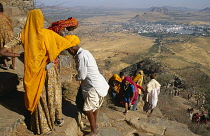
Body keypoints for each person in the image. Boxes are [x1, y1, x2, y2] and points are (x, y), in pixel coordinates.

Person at [0, 9, 80, 135]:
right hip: (50, 70)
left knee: (39, 98)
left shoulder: (23, 35)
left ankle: (42, 127)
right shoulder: (47, 34)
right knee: (53, 95)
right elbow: (65, 44)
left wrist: (20, 55)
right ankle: (57, 118)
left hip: (33, 72)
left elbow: (2, 51)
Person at [65, 35, 109, 136]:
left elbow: (82, 75)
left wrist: (76, 77)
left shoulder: (81, 56)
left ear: (71, 49)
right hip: (98, 84)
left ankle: (94, 131)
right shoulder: (85, 52)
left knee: (88, 108)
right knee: (94, 107)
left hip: (94, 87)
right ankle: (94, 125)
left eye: (68, 50)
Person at [0, 3, 15, 69]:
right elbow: (11, 25)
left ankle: (6, 64)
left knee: (1, 49)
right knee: (12, 50)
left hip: (1, 35)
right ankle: (14, 65)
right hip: (9, 34)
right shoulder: (6, 17)